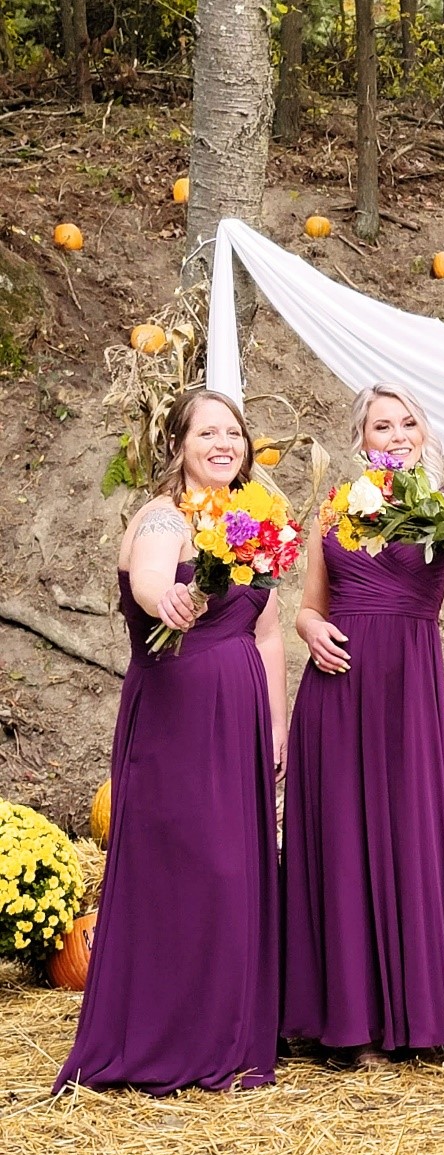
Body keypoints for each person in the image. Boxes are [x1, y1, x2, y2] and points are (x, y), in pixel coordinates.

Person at [55, 390, 286, 1095]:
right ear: (179, 444)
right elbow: (154, 576)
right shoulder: (162, 516)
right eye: (207, 431)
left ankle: (227, 1031)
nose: (224, 442)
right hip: (178, 718)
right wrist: (169, 600)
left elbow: (267, 630)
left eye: (234, 432)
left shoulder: (250, 524)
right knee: (191, 869)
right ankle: (168, 1034)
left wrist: (276, 724)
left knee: (237, 874)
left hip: (240, 721)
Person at [281, 382, 444, 1066]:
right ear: (362, 439)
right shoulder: (333, 512)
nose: (397, 434)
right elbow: (308, 608)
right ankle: (349, 1024)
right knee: (343, 841)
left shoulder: (441, 505)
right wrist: (313, 632)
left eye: (408, 423)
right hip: (336, 693)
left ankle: (417, 1016)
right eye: (383, 424)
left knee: (407, 836)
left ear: (423, 435)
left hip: (407, 695)